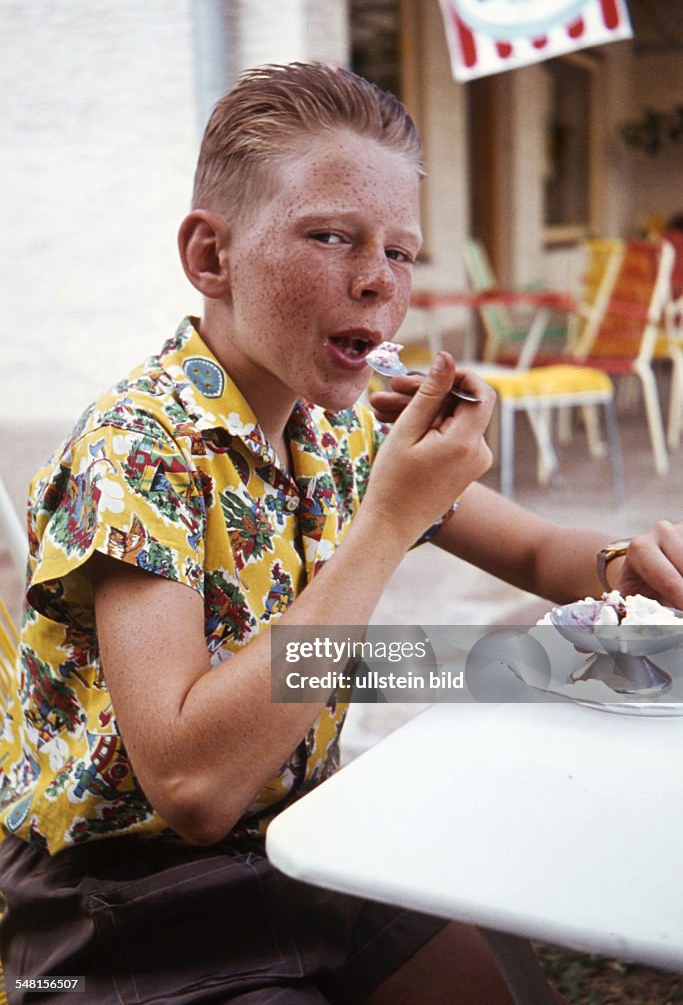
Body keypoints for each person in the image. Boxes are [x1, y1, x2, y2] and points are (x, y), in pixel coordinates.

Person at [1, 62, 682, 1005]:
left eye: (400, 253)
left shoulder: (342, 429)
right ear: (211, 258)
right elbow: (192, 789)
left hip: (300, 839)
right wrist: (387, 523)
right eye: (330, 237)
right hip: (119, 903)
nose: (375, 280)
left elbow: (531, 552)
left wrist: (628, 565)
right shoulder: (139, 449)